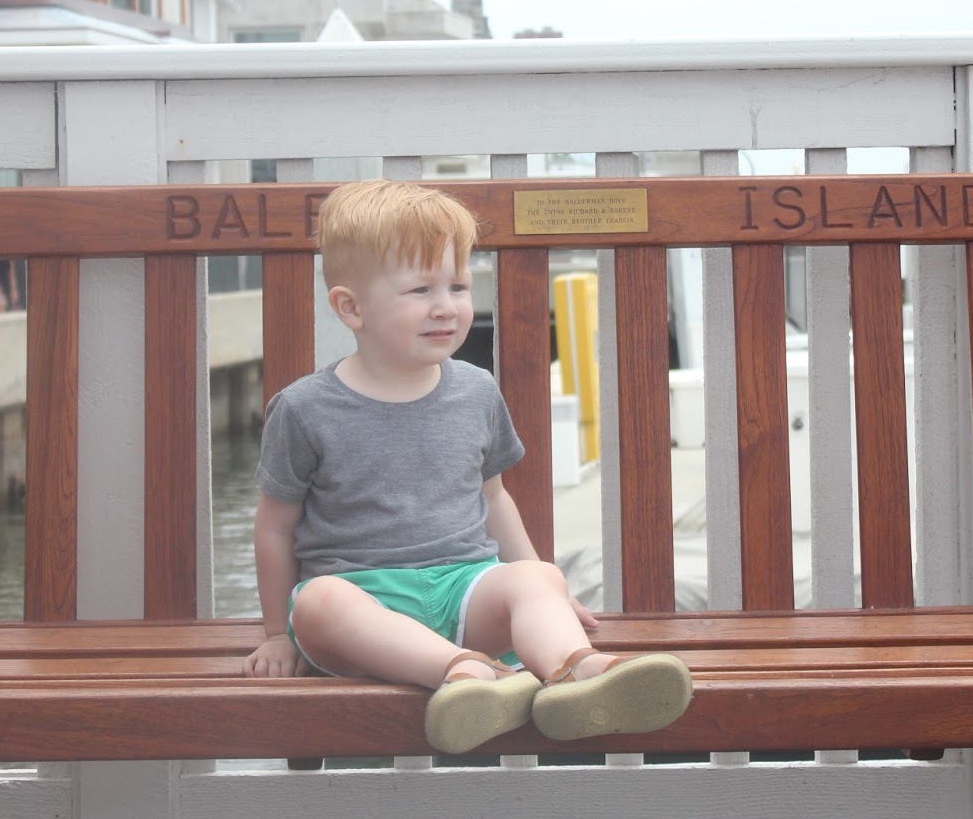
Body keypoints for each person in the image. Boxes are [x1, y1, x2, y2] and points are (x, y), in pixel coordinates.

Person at [242, 178, 691, 754]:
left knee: (538, 577)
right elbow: (274, 527)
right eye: (420, 289)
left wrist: (547, 598)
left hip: (464, 590)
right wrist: (276, 634)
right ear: (351, 307)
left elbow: (494, 498)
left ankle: (579, 673)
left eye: (457, 285)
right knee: (318, 601)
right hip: (364, 607)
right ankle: (469, 673)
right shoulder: (305, 408)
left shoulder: (475, 391)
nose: (446, 306)